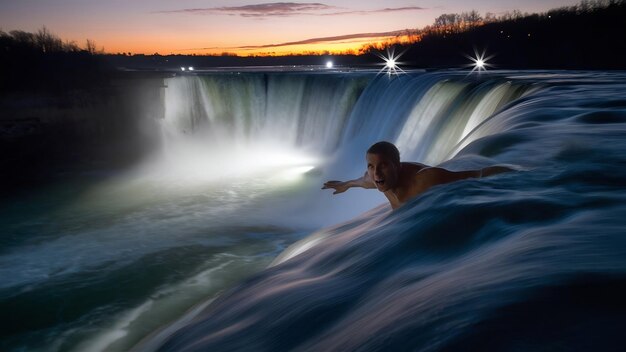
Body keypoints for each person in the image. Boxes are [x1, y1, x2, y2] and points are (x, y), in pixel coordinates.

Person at [322, 141, 512, 210]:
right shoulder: (375, 178)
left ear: (397, 165)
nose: (376, 172)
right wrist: (345, 184)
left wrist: (523, 178)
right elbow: (362, 182)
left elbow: (476, 175)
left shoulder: (424, 180)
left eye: (383, 165)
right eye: (371, 166)